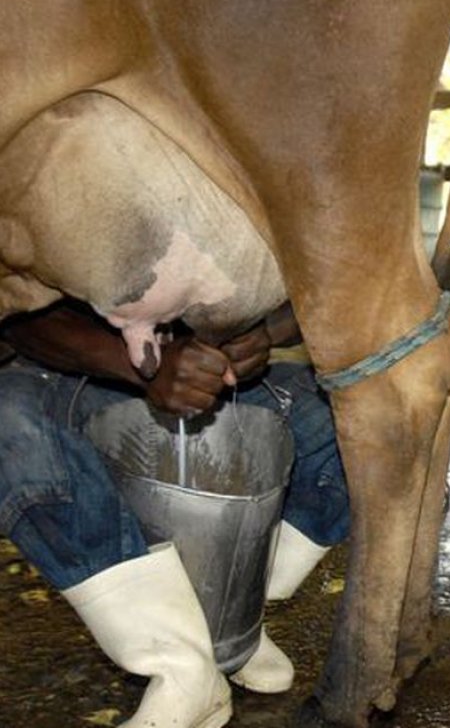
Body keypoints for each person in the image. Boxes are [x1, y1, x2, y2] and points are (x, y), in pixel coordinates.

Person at [0, 297, 350, 728]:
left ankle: (233, 624)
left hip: (217, 374)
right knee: (9, 422)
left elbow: (318, 287)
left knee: (366, 420)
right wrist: (141, 366)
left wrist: (263, 335)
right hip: (85, 371)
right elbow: (16, 315)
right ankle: (183, 666)